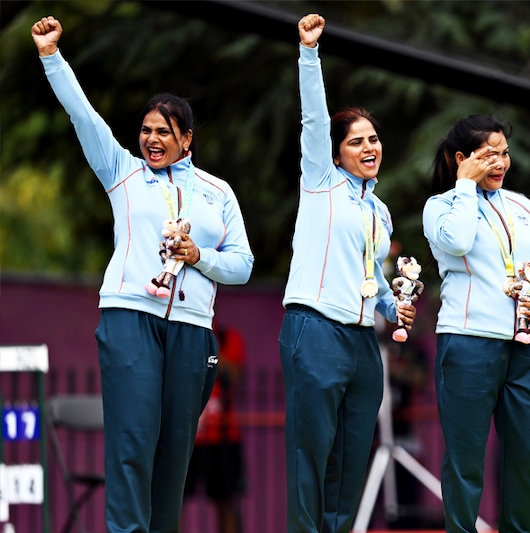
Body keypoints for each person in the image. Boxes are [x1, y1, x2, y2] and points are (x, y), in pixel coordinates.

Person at [32, 16, 254, 533]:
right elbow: (83, 116)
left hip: (194, 331)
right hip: (130, 317)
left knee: (174, 451)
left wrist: (200, 256)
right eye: (147, 130)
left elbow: (242, 265)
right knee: (132, 443)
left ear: (187, 139)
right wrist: (51, 56)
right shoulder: (123, 172)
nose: (153, 140)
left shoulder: (217, 192)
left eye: (165, 132)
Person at [278, 14, 417, 533]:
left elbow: (373, 278)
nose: (370, 148)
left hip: (362, 344)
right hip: (314, 329)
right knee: (311, 456)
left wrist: (390, 304)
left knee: (350, 461)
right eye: (357, 141)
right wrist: (309, 54)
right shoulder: (320, 183)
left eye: (374, 139)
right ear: (336, 151)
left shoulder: (378, 212)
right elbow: (313, 118)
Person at [422, 114, 530, 533]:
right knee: (466, 458)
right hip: (468, 343)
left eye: (504, 153)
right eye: (488, 156)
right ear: (462, 159)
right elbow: (459, 242)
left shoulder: (523, 206)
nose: (500, 163)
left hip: (526, 345)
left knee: (529, 457)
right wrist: (465, 184)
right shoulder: (441, 207)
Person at [183, 324, 247, 533]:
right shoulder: (180, 337)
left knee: (227, 500)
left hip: (222, 434)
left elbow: (234, 375)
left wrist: (208, 350)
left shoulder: (227, 338)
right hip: (188, 436)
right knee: (174, 501)